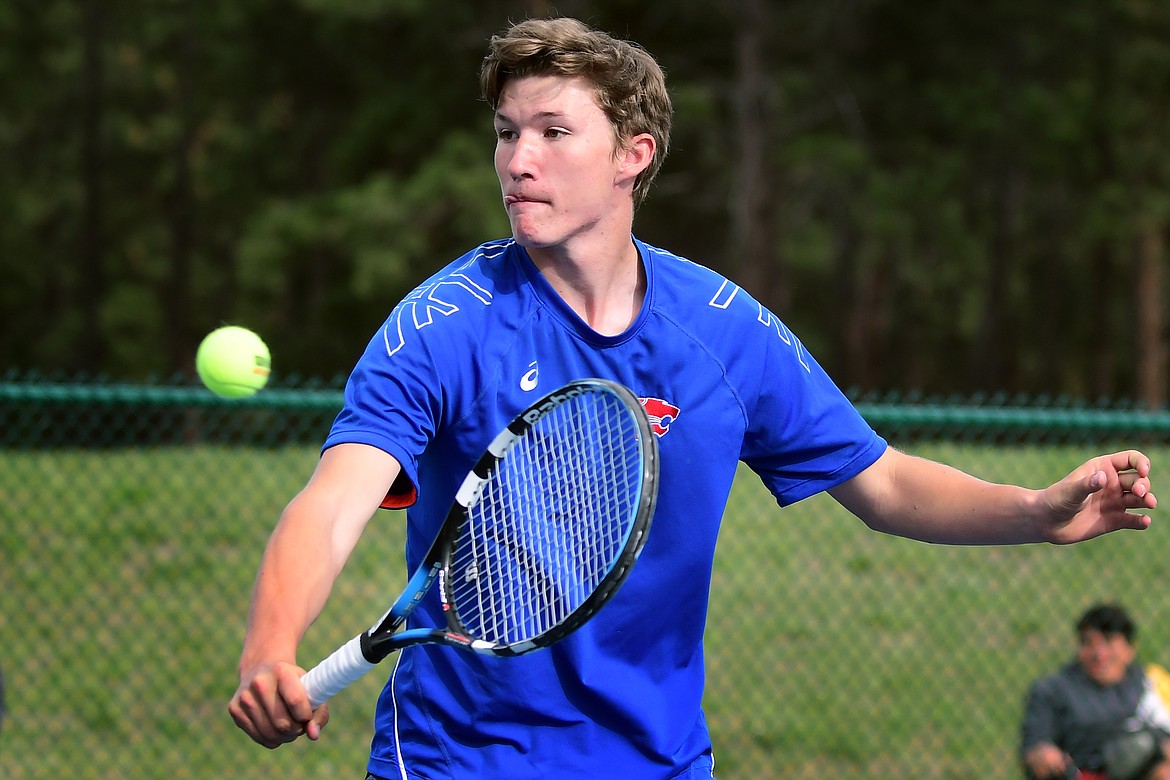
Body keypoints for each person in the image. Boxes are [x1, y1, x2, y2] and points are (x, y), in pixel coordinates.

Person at [228, 17, 1158, 779]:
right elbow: (337, 496)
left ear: (635, 154)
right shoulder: (444, 320)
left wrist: (1038, 511)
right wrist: (272, 645)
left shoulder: (722, 330)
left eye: (554, 132)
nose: (519, 158)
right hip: (455, 762)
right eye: (508, 132)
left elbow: (882, 484)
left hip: (656, 760)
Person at [1022, 604, 1170, 780]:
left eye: (1108, 641)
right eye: (1088, 643)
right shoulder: (1053, 690)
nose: (1099, 653)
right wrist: (1043, 756)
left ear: (1130, 649)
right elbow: (1035, 748)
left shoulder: (1151, 683)